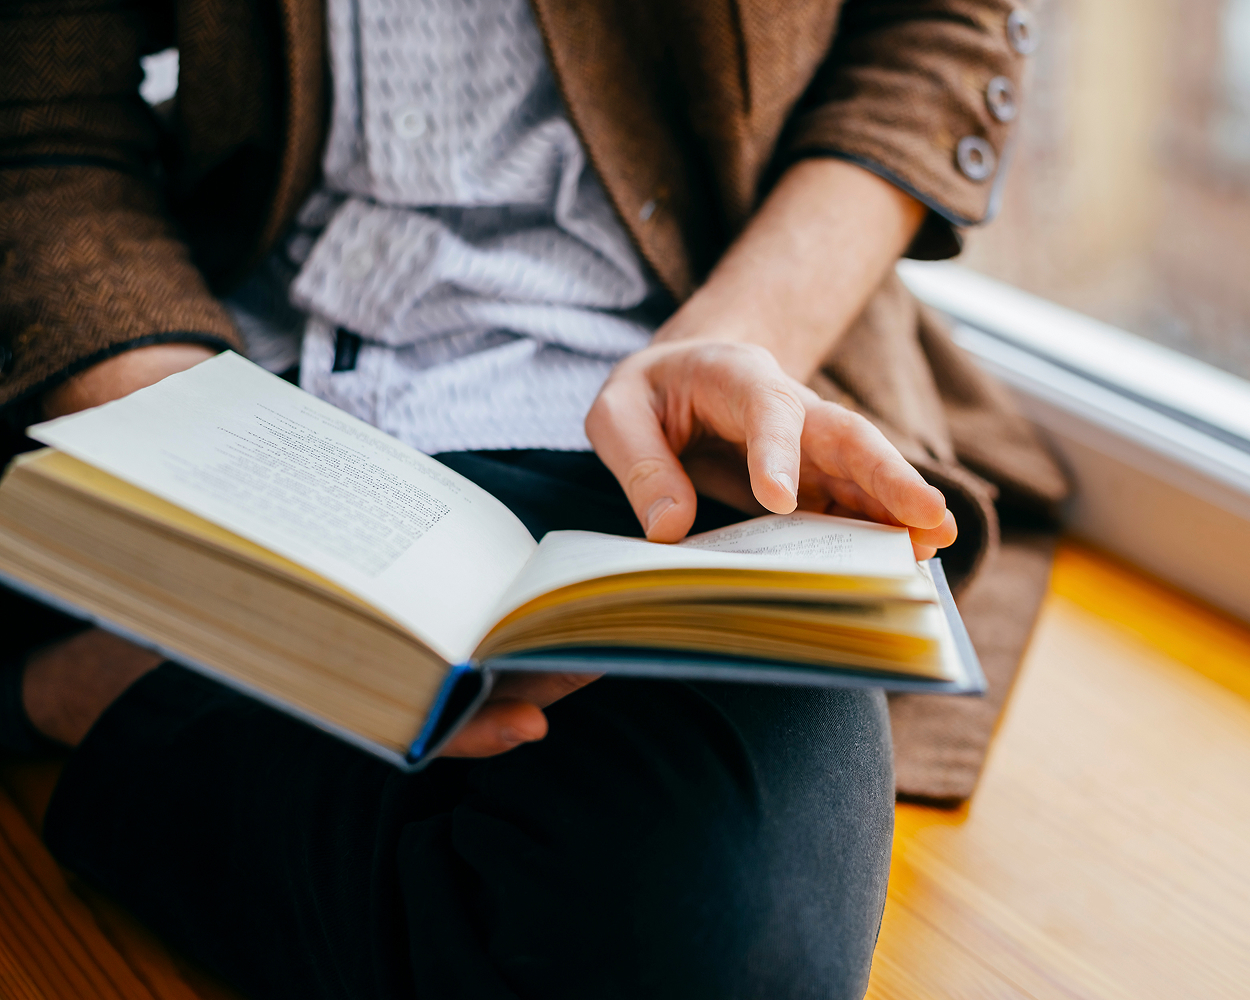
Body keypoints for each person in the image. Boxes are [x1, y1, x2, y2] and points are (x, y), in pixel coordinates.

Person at [0, 0, 1063, 996]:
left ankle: (112, 684)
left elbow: (936, 25)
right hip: (219, 359)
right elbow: (41, 107)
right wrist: (214, 478)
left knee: (726, 932)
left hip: (668, 400)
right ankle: (181, 673)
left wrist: (733, 337)